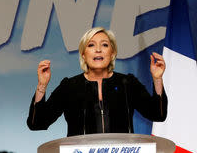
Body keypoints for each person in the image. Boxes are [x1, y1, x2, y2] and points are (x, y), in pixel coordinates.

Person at [27, 27, 167, 136]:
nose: (98, 50)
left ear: (112, 53)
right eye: (91, 45)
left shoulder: (127, 83)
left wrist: (157, 79)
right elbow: (37, 123)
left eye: (105, 45)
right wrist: (42, 85)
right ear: (83, 54)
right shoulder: (69, 87)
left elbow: (158, 114)